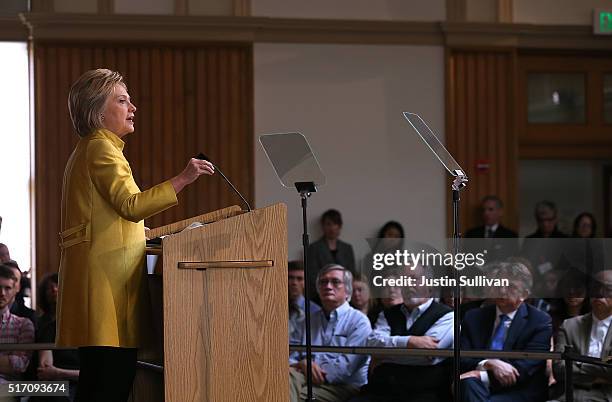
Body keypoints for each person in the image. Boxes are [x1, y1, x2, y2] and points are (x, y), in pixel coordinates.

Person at [57, 69, 214, 402]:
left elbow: (110, 216)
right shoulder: (102, 147)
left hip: (103, 279)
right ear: (97, 111)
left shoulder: (94, 147)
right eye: (122, 100)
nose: (133, 108)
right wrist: (183, 178)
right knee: (110, 383)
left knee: (101, 381)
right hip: (105, 285)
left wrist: (136, 231)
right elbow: (130, 205)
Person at [354, 264, 454, 402]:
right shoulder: (388, 313)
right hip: (382, 391)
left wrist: (383, 356)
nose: (407, 285)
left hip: (423, 393)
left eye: (413, 279)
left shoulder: (448, 316)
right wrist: (409, 341)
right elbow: (371, 343)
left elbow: (427, 356)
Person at [459, 261, 552, 402]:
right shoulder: (474, 317)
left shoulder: (540, 321)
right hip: (477, 387)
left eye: (510, 286)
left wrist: (479, 375)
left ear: (524, 294)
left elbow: (525, 370)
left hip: (519, 390)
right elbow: (462, 358)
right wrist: (487, 363)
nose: (501, 291)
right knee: (468, 384)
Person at [289, 264, 371, 402]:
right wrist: (302, 363)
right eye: (323, 282)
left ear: (347, 290)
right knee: (280, 383)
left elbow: (345, 368)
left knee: (293, 395)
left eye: (335, 282)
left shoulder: (359, 322)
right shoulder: (307, 320)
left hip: (343, 384)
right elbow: (291, 353)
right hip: (301, 377)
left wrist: (309, 366)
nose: (327, 286)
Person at [553, 270, 612, 401]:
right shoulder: (569, 325)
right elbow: (559, 369)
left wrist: (578, 363)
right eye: (595, 288)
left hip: (606, 396)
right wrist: (598, 374)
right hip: (568, 394)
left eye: (608, 289)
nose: (599, 294)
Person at [31, 273, 79, 402]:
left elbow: (93, 374)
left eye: (58, 286)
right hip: (51, 384)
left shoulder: (86, 326)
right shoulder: (48, 326)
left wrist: (58, 372)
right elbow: (45, 370)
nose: (54, 290)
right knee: (9, 389)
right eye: (50, 288)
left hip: (76, 384)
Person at [307, 209, 356, 302]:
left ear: (340, 226)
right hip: (320, 295)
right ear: (323, 226)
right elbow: (312, 275)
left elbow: (351, 272)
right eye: (328, 224)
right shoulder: (314, 248)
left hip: (344, 295)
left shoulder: (347, 248)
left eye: (335, 224)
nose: (332, 228)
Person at [0, 264, 34, 391]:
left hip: (8, 387)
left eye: (7, 288)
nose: (2, 293)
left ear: (15, 290)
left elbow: (20, 365)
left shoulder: (23, 324)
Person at [464, 196, 518, 263]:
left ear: (500, 212)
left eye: (490, 209)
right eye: (484, 210)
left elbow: (512, 260)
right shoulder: (471, 234)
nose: (486, 213)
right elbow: (466, 259)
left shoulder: (510, 236)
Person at [288, 260, 320, 345]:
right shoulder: (273, 307)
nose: (294, 283)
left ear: (305, 282)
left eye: (299, 279)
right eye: (290, 278)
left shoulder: (314, 311)